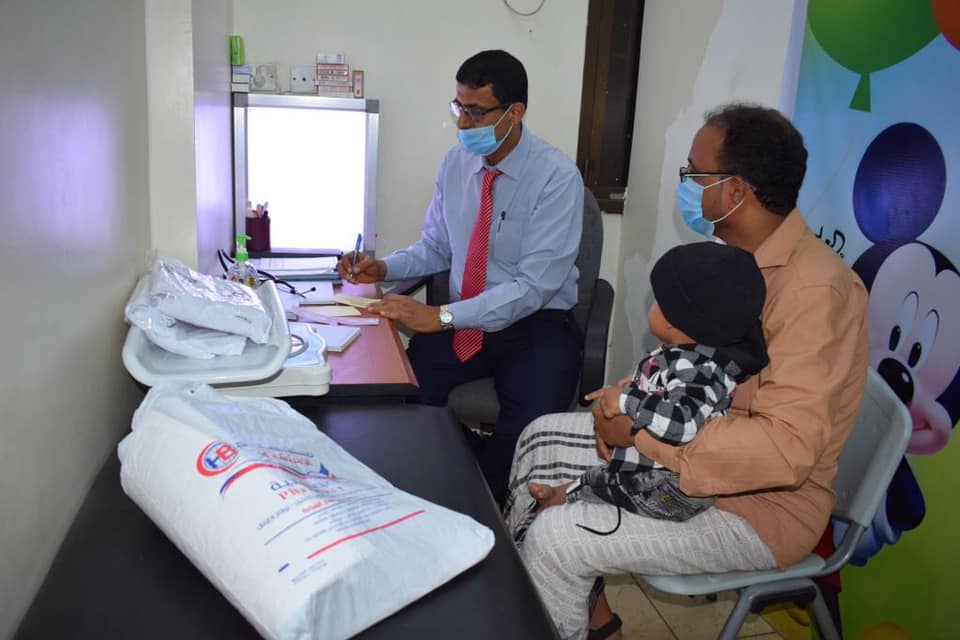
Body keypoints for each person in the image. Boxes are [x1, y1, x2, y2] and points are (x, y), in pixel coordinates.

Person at [503, 103, 869, 640]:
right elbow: (683, 366)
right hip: (688, 453)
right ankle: (585, 616)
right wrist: (623, 399)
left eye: (694, 172)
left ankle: (553, 595)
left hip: (758, 509)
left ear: (735, 190)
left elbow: (786, 452)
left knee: (557, 539)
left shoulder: (815, 292)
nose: (687, 182)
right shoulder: (733, 256)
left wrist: (638, 433)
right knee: (540, 437)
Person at [337, 50, 584, 503]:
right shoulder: (455, 164)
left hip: (536, 324)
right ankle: (445, 480)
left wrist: (442, 317)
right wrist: (385, 267)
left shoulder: (557, 178)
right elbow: (437, 247)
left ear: (514, 113)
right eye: (459, 107)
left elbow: (533, 288)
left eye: (475, 111)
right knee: (399, 396)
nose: (464, 123)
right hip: (467, 320)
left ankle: (485, 505)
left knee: (525, 435)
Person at [524, 241, 769, 529]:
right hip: (663, 467)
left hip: (674, 489)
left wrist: (627, 400)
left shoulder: (699, 369)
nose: (652, 306)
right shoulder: (685, 355)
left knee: (611, 483)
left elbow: (683, 423)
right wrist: (627, 392)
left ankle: (567, 497)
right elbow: (663, 389)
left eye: (658, 302)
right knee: (609, 472)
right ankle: (567, 492)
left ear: (675, 320)